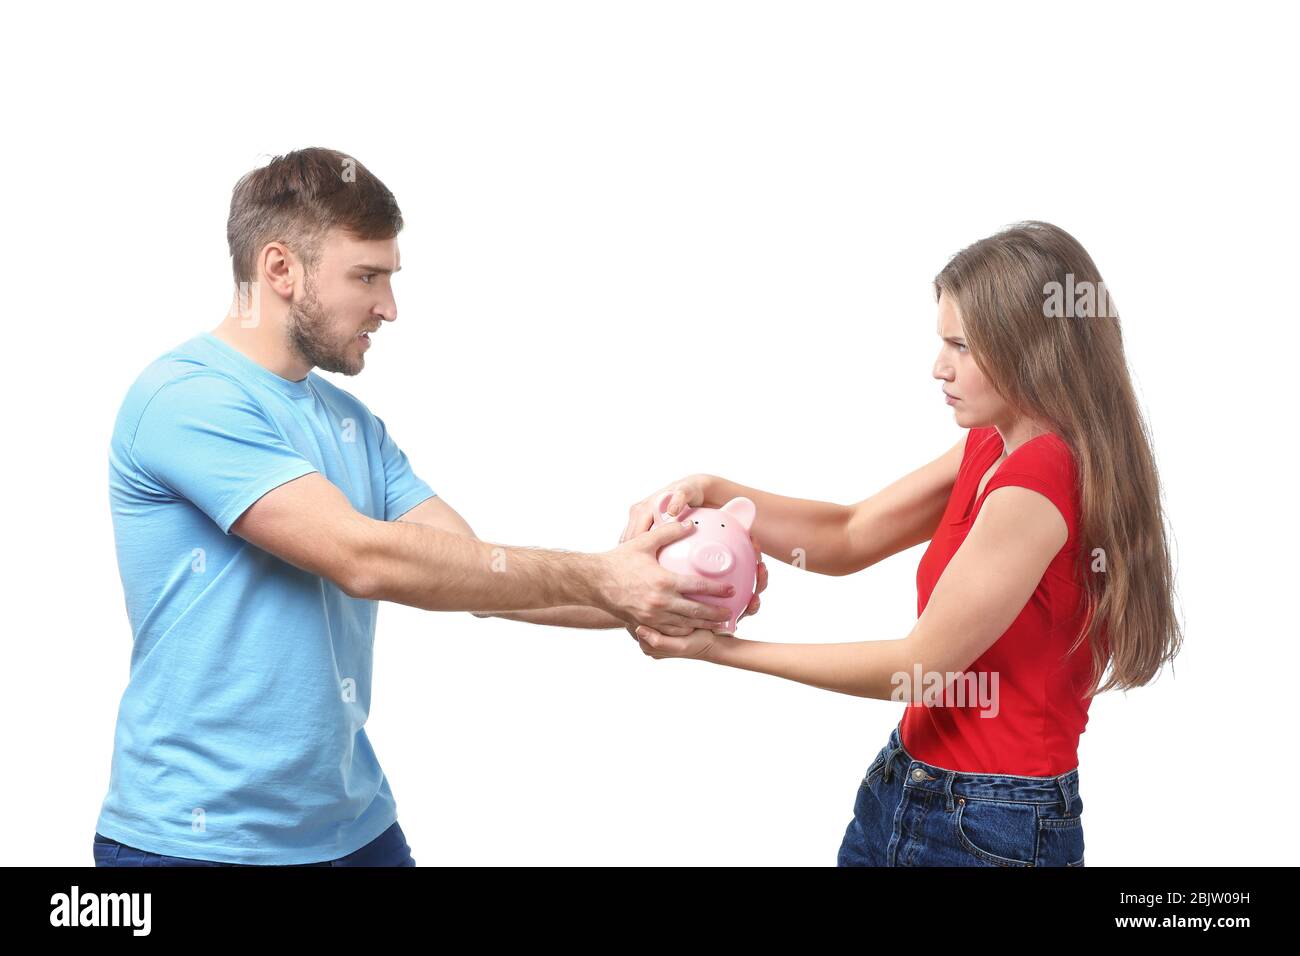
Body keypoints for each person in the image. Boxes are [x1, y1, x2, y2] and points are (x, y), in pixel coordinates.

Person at [94, 146, 763, 867]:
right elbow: (364, 558)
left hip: (353, 831)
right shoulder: (186, 399)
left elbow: (472, 574)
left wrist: (657, 587)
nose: (388, 307)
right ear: (280, 269)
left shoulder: (349, 422)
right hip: (197, 844)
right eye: (367, 276)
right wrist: (607, 580)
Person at [622, 221, 1182, 866]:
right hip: (907, 782)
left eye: (962, 346)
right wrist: (716, 490)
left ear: (1033, 348)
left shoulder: (1040, 480)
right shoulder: (994, 442)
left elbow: (919, 667)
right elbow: (849, 534)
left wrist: (720, 650)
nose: (938, 367)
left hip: (992, 824)